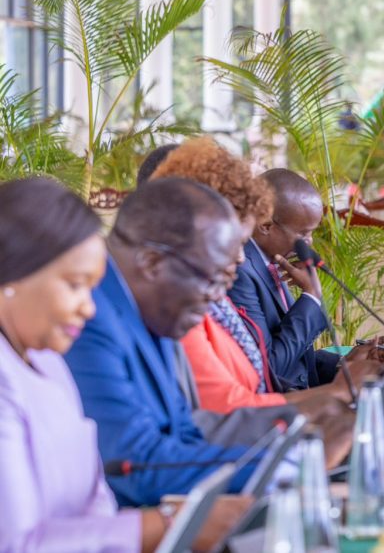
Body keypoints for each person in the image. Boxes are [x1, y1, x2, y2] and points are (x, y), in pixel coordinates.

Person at [0, 177, 249, 551]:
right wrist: (169, 524)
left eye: (91, 285)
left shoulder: (49, 363)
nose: (88, 305)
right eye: (74, 284)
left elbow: (96, 499)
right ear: (12, 275)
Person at [65, 178, 270, 506]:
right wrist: (282, 470)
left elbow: (184, 436)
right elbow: (135, 465)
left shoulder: (157, 309)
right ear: (152, 263)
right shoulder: (88, 318)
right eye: (213, 280)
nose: (218, 298)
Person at [152, 138, 377, 416]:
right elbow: (260, 380)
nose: (240, 257)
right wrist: (311, 299)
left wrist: (344, 368)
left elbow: (257, 375)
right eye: (233, 240)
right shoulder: (201, 299)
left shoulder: (258, 270)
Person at [228, 169, 382, 391]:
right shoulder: (240, 273)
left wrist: (345, 364)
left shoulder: (274, 259)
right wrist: (310, 296)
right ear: (265, 225)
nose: (308, 243)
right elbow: (269, 367)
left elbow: (296, 359)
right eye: (302, 234)